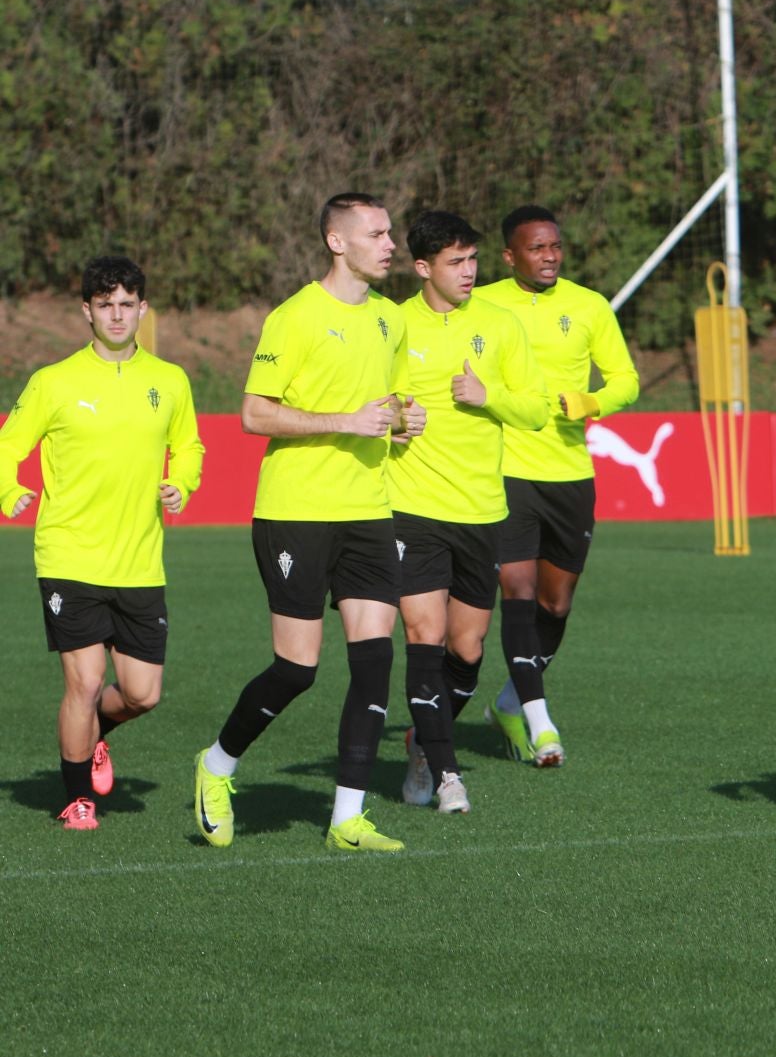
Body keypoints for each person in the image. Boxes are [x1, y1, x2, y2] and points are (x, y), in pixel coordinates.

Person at [191, 192, 427, 851]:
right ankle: (216, 764)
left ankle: (346, 819)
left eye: (390, 233)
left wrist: (406, 419)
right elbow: (254, 413)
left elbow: (392, 403)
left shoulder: (390, 321)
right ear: (337, 242)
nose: (389, 245)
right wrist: (343, 422)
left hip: (369, 511)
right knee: (297, 669)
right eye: (376, 234)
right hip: (295, 512)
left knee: (375, 661)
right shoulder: (294, 319)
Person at [0, 256, 204, 830]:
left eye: (127, 303)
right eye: (105, 304)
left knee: (141, 695)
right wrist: (8, 488)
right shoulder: (53, 381)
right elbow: (7, 445)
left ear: (142, 308)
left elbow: (190, 447)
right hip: (69, 556)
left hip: (140, 563)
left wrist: (181, 483)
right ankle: (75, 799)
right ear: (86, 311)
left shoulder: (170, 381)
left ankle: (96, 737)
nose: (117, 314)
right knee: (85, 683)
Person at [390, 210, 548, 813]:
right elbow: (369, 402)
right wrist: (398, 420)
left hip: (482, 511)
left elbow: (535, 411)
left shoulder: (501, 325)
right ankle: (448, 771)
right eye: (455, 262)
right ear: (423, 267)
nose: (468, 272)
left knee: (469, 649)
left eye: (473, 260)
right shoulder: (393, 324)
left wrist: (489, 396)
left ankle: (421, 742)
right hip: (410, 507)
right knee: (423, 636)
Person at [473, 205, 637, 768]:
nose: (549, 257)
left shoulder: (589, 306)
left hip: (570, 475)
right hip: (505, 471)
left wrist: (591, 402)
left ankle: (509, 702)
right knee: (516, 592)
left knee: (555, 604)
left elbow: (627, 381)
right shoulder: (483, 302)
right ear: (509, 256)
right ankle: (542, 725)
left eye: (555, 247)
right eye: (537, 248)